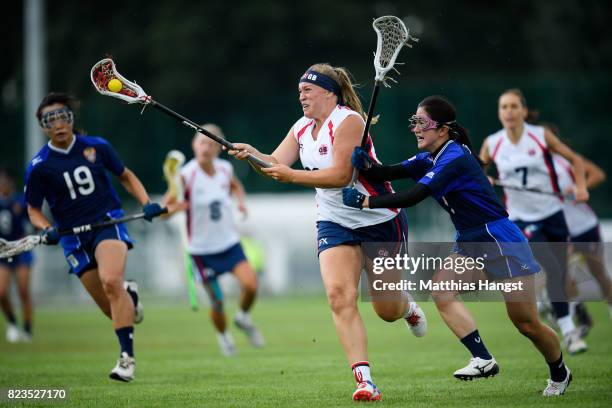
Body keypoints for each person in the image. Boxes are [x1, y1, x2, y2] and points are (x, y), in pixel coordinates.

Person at [343, 95, 573, 397]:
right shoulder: (430, 157)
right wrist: (367, 164)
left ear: (443, 129)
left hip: (500, 239)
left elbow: (412, 196)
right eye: (414, 122)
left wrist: (367, 201)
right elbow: (388, 172)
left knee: (526, 323)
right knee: (441, 290)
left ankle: (560, 372)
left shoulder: (455, 158)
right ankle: (483, 358)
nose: (415, 128)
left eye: (422, 123)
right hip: (470, 240)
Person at [228, 63, 427, 402]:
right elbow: (276, 162)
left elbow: (339, 176)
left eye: (308, 89)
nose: (301, 95)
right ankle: (365, 380)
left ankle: (407, 308)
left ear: (329, 93)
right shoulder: (302, 128)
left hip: (377, 219)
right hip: (334, 222)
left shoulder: (349, 121)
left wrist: (290, 176)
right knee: (339, 295)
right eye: (299, 90)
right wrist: (252, 156)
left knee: (386, 310)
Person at [24, 92, 164, 382]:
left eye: (63, 115)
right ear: (43, 126)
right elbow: (33, 210)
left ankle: (126, 359)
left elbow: (126, 175)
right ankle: (131, 298)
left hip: (106, 223)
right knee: (109, 304)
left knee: (111, 282)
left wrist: (146, 202)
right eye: (51, 119)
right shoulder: (39, 166)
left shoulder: (96, 147)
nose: (59, 123)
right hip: (72, 238)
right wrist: (44, 229)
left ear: (72, 119)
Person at [480, 89, 588, 355]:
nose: (509, 112)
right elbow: (476, 173)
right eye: (504, 107)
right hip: (520, 219)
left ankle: (556, 311)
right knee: (550, 266)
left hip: (552, 213)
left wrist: (581, 186)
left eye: (514, 106)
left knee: (559, 272)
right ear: (499, 113)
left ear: (524, 111)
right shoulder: (493, 143)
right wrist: (486, 180)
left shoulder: (540, 136)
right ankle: (569, 332)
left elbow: (575, 160)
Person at [163, 124, 265, 356]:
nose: (205, 148)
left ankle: (243, 318)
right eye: (201, 142)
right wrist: (176, 208)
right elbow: (165, 212)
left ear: (219, 148)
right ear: (194, 145)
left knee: (251, 284)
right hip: (201, 251)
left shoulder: (225, 169)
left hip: (229, 243)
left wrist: (241, 202)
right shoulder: (185, 176)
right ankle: (224, 336)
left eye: (211, 143)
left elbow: (235, 187)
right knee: (218, 302)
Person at [552, 149, 612, 331]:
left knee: (598, 273)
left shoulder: (566, 161)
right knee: (560, 274)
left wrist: (580, 187)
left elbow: (598, 174)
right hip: (561, 231)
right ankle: (576, 318)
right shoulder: (527, 165)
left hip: (584, 227)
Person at [0, 169, 34, 343]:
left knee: (23, 290)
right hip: (2, 252)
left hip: (21, 251)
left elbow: (32, 223)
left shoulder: (20, 201)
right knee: (1, 292)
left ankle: (27, 329)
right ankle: (12, 323)